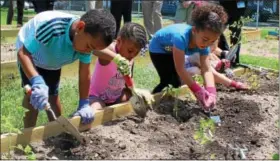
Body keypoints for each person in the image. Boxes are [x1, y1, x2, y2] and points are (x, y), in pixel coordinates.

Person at [16, 9, 131, 127]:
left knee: (53, 97)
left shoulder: (83, 39)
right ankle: (27, 138)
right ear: (80, 27)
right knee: (33, 99)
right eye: (88, 47)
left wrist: (84, 103)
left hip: (54, 58)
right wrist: (37, 81)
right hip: (32, 56)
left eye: (92, 49)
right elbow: (23, 53)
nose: (89, 52)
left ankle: (60, 130)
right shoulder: (52, 28)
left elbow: (84, 74)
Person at [148, 3, 228, 111]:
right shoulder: (181, 38)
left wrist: (212, 92)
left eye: (212, 41)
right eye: (205, 39)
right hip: (159, 48)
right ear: (194, 31)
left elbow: (206, 69)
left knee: (175, 82)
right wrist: (198, 91)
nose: (207, 44)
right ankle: (150, 101)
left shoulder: (204, 42)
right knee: (168, 81)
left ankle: (164, 100)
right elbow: (180, 69)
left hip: (173, 48)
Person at [88, 22, 153, 114]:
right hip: (97, 97)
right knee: (95, 110)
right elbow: (95, 49)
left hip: (117, 96)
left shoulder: (130, 58)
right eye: (130, 51)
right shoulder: (111, 49)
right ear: (118, 41)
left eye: (136, 53)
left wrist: (134, 90)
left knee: (135, 97)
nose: (132, 55)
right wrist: (116, 58)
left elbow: (128, 78)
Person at [184, 53, 248, 90]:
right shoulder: (195, 55)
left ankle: (218, 70)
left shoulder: (201, 50)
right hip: (181, 77)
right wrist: (234, 84)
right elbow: (210, 73)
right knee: (196, 71)